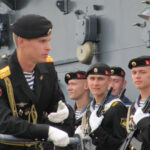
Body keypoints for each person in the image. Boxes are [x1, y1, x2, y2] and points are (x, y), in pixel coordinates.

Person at [0, 14, 74, 150]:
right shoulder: (2, 74)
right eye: (42, 41)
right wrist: (46, 131)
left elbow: (56, 102)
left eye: (48, 41)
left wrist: (65, 112)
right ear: (21, 41)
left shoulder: (47, 68)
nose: (48, 47)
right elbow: (3, 121)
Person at [76, 63, 127, 150]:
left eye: (100, 79)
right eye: (92, 79)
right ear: (87, 82)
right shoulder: (88, 110)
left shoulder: (116, 107)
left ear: (109, 82)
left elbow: (121, 145)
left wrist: (97, 131)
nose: (95, 83)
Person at [123, 56, 150, 150]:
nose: (137, 76)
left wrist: (144, 123)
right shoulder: (132, 108)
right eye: (134, 73)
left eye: (143, 72)